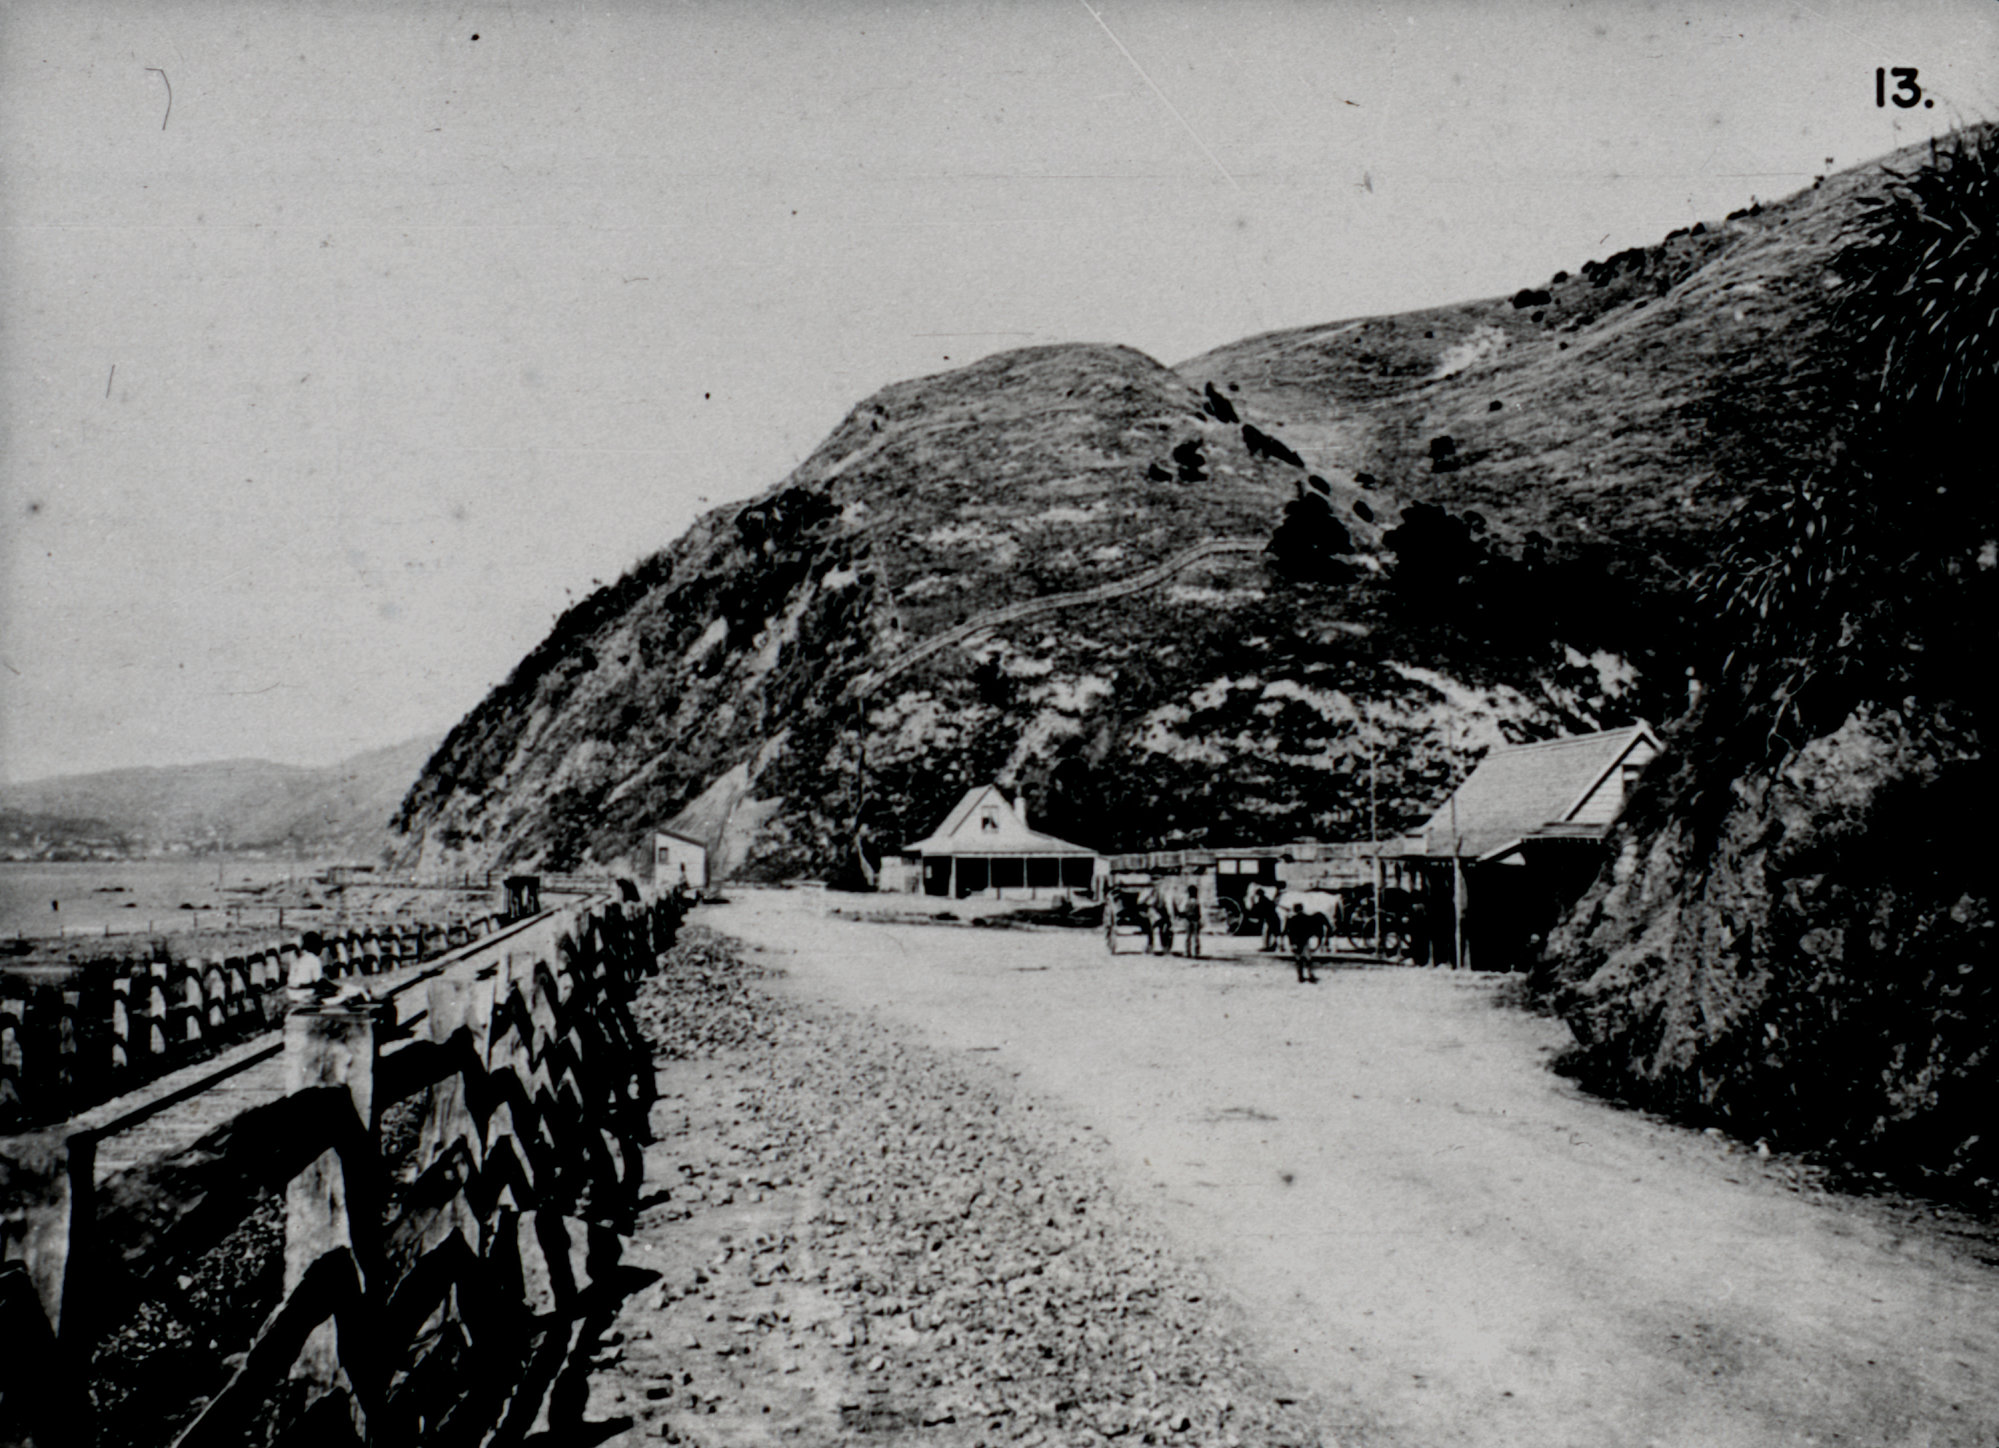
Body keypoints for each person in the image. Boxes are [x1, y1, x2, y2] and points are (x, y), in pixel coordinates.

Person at [1284, 903, 1320, 984]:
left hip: (1295, 941)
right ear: (1302, 909)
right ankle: (1311, 975)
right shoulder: (1307, 918)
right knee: (1308, 959)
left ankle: (1300, 976)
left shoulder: (1291, 919)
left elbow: (1288, 932)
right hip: (1305, 940)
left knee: (1298, 959)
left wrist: (1291, 943)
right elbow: (1312, 930)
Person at [1178, 881, 1203, 959]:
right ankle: (1196, 952)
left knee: (1188, 937)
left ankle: (1188, 951)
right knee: (1196, 937)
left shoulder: (1187, 902)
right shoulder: (1197, 901)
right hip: (1195, 920)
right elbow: (1199, 913)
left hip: (1188, 920)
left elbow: (1185, 911)